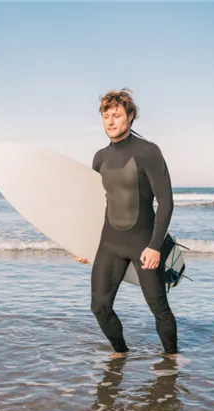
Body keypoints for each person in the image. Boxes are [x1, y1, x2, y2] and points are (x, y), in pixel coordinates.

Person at [73, 88, 178, 359]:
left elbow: (165, 202)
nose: (110, 121)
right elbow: (97, 205)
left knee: (158, 307)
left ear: (130, 116)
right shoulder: (100, 158)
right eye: (106, 116)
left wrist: (155, 246)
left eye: (116, 115)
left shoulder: (148, 152)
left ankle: (172, 359)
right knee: (99, 306)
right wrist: (82, 243)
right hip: (110, 243)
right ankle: (121, 352)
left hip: (143, 243)